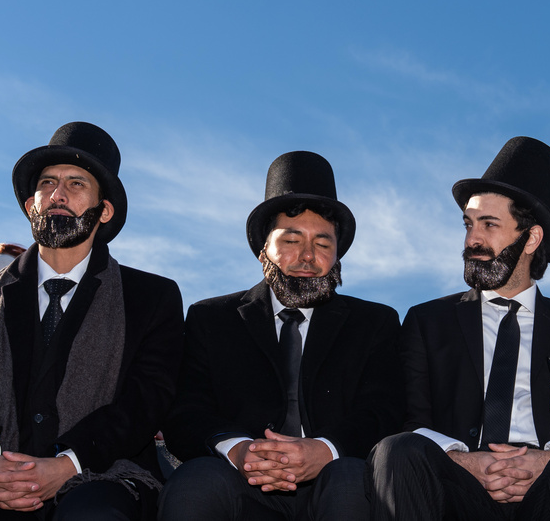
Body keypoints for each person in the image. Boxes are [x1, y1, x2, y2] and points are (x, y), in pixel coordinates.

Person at [367, 136, 550, 521]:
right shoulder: (427, 322)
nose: (472, 239)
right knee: (396, 449)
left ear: (531, 238)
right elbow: (412, 420)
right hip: (458, 485)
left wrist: (547, 459)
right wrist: (462, 460)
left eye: (489, 224)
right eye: (469, 224)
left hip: (549, 489)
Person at [160, 151, 404, 521]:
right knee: (195, 482)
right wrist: (239, 450)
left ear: (337, 257)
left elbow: (385, 410)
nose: (307, 256)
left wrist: (325, 450)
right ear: (264, 251)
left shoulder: (375, 322)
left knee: (350, 480)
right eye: (291, 240)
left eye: (323, 243)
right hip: (240, 480)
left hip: (337, 479)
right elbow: (187, 411)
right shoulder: (211, 318)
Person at [0, 122, 184, 519]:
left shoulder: (152, 297)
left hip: (105, 476)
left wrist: (68, 464)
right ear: (31, 205)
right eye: (47, 183)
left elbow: (145, 400)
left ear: (105, 210)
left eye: (76, 184)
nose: (58, 195)